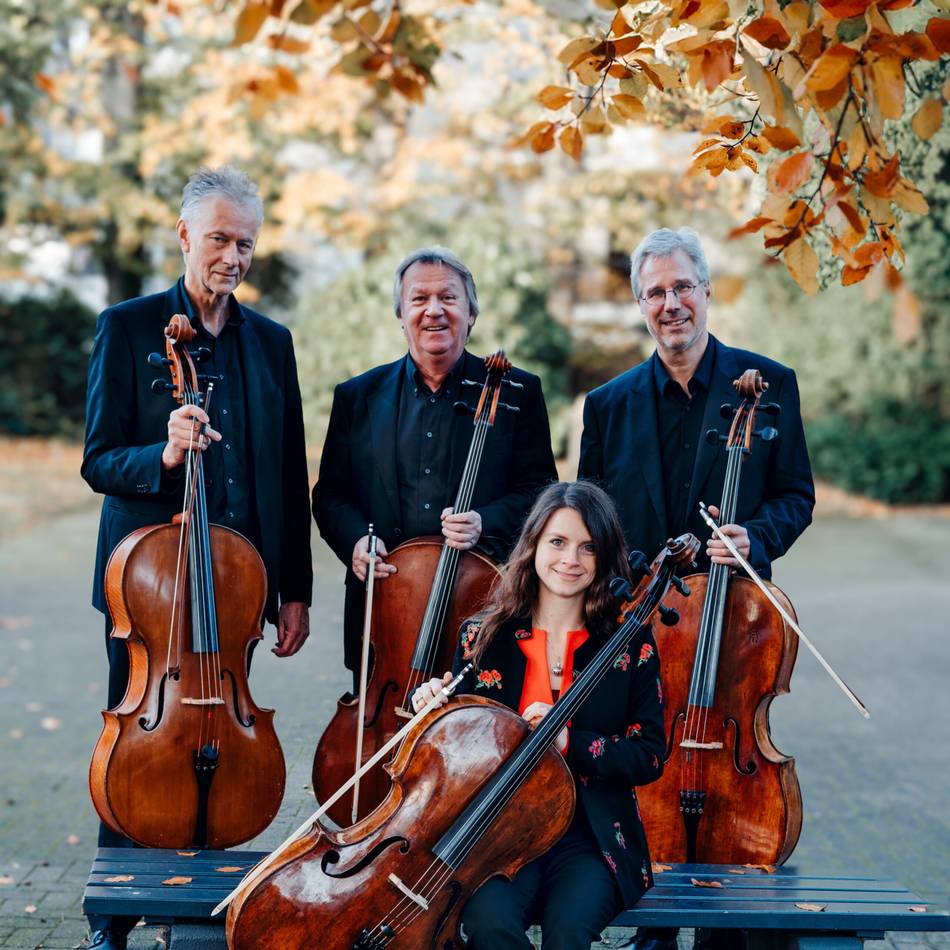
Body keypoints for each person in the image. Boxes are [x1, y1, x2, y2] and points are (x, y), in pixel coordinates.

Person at [81, 165, 312, 950]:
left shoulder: (271, 343)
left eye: (245, 243)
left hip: (238, 587)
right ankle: (114, 915)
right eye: (219, 239)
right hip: (148, 588)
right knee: (140, 746)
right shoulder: (127, 326)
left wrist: (293, 589)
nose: (232, 257)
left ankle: (201, 902)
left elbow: (288, 473)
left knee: (218, 740)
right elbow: (99, 459)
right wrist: (163, 455)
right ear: (183, 236)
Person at [578, 227, 815, 950]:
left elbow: (795, 495)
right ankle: (651, 915)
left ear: (707, 291)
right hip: (644, 626)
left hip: (733, 622)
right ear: (640, 305)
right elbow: (592, 519)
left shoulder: (767, 385)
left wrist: (754, 539)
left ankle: (725, 922)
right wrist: (634, 570)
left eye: (683, 286)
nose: (671, 303)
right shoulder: (608, 404)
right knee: (645, 756)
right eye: (655, 292)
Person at [412, 480, 666, 949]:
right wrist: (432, 711)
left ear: (605, 556)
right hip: (498, 832)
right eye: (558, 542)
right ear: (533, 546)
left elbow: (649, 756)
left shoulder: (629, 642)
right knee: (490, 927)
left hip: (591, 838)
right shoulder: (483, 636)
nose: (571, 559)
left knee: (568, 934)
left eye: (588, 547)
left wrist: (572, 743)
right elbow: (454, 749)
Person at [312, 245, 557, 682]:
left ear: (471, 313)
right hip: (383, 616)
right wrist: (357, 541)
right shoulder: (357, 396)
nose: (434, 311)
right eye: (419, 299)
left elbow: (540, 494)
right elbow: (331, 496)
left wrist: (485, 522)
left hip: (480, 605)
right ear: (401, 314)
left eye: (448, 298)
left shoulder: (516, 391)